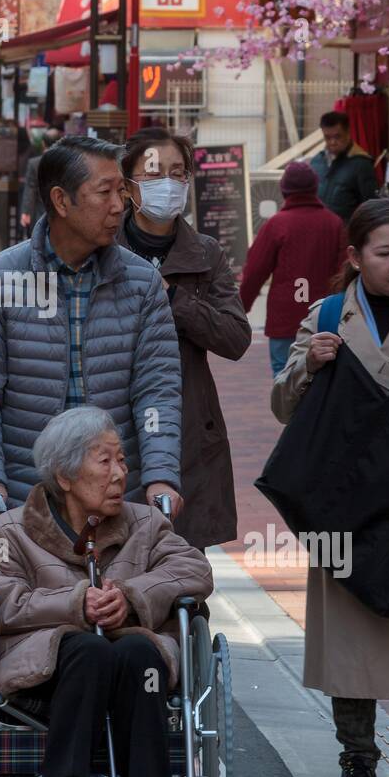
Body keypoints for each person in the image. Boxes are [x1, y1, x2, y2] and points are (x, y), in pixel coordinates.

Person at [0, 406, 213, 777]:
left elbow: (193, 571)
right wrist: (75, 603)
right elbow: (4, 601)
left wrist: (132, 595)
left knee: (143, 651)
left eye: (121, 460)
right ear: (64, 476)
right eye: (104, 461)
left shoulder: (147, 524)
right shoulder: (7, 534)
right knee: (88, 650)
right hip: (43, 675)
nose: (120, 472)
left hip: (129, 667)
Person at [271, 199, 389, 777]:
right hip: (347, 504)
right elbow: (282, 406)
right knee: (349, 635)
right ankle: (358, 761)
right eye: (384, 252)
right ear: (355, 258)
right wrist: (308, 368)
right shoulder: (330, 316)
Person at [0, 135, 182, 511]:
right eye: (104, 191)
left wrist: (160, 476)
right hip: (26, 499)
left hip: (118, 497)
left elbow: (157, 390)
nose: (118, 206)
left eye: (121, 191)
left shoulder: (141, 282)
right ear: (61, 200)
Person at [119, 129, 251, 552]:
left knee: (183, 570)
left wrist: (174, 298)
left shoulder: (206, 254)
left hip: (189, 425)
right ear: (128, 185)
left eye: (178, 173)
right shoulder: (103, 249)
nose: (168, 184)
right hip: (114, 420)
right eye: (155, 173)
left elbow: (235, 337)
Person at [239, 160, 347, 377]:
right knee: (322, 381)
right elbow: (343, 275)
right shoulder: (334, 224)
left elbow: (254, 272)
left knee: (284, 379)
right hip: (324, 319)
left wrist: (241, 307)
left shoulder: (276, 224)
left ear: (283, 189)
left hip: (284, 321)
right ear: (315, 187)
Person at [310, 111, 379, 223]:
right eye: (327, 137)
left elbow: (371, 207)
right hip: (318, 230)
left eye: (337, 137)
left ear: (348, 133)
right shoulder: (316, 161)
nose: (332, 142)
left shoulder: (361, 164)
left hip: (346, 234)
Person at [20, 128, 62, 236]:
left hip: (40, 211)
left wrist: (26, 212)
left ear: (43, 143)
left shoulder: (34, 163)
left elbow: (30, 188)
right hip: (62, 211)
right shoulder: (65, 163)